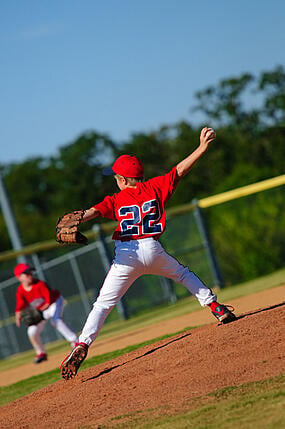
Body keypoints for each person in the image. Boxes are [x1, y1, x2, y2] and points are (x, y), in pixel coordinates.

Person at [60, 127, 236, 380]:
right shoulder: (155, 187)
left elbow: (92, 213)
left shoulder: (115, 199)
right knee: (184, 275)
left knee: (103, 304)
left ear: (121, 179)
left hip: (126, 256)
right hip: (153, 249)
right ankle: (215, 307)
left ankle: (82, 345)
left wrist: (78, 218)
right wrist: (202, 147)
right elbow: (180, 170)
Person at [14, 263, 79, 363]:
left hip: (54, 302)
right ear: (19, 278)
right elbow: (19, 306)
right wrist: (18, 317)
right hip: (41, 310)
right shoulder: (20, 290)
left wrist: (39, 313)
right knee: (31, 332)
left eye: (30, 272)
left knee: (55, 320)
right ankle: (41, 353)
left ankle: (74, 341)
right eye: (26, 274)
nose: (30, 275)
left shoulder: (40, 284)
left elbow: (48, 302)